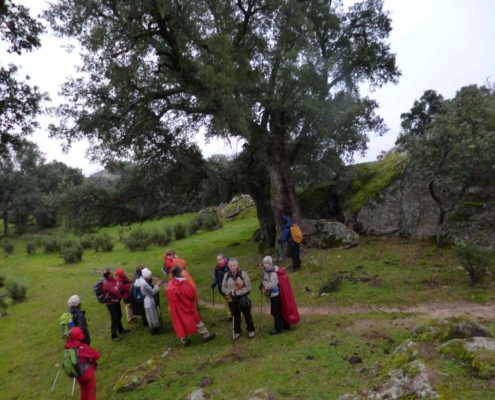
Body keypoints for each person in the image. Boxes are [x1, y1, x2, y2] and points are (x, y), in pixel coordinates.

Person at [166, 266, 216, 346]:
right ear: (180, 272)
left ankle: (184, 340)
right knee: (195, 320)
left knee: (180, 322)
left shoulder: (170, 285)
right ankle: (206, 335)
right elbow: (191, 294)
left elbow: (169, 297)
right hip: (186, 306)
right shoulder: (183, 283)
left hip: (176, 308)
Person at [222, 258, 255, 340]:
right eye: (230, 266)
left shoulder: (243, 274)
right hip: (232, 298)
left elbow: (248, 287)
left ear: (237, 265)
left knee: (246, 313)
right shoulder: (226, 275)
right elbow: (223, 287)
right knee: (235, 315)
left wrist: (237, 293)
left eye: (234, 265)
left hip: (242, 297)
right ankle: (237, 331)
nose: (232, 267)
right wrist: (229, 293)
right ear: (228, 266)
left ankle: (251, 330)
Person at [64, 327, 100, 400]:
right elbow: (96, 355)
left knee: (83, 389)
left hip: (77, 373)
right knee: (91, 389)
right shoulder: (82, 347)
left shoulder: (68, 347)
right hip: (87, 373)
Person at [260, 256, 290, 335]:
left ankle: (278, 328)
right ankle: (286, 325)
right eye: (264, 263)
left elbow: (272, 284)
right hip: (272, 295)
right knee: (278, 311)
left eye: (267, 263)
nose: (266, 265)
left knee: (275, 312)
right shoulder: (267, 271)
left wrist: (264, 284)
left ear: (271, 263)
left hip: (275, 295)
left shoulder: (273, 272)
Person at [102, 269, 128, 341]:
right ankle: (113, 336)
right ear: (108, 275)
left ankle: (121, 329)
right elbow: (115, 291)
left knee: (119, 315)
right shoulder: (106, 283)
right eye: (111, 273)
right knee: (114, 318)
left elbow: (117, 286)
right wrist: (118, 287)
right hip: (111, 303)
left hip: (116, 301)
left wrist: (117, 287)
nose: (113, 273)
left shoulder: (112, 280)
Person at [140, 268, 162, 334]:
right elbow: (152, 293)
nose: (151, 276)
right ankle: (155, 328)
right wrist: (157, 285)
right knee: (152, 314)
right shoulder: (144, 284)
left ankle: (153, 328)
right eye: (150, 275)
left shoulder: (143, 281)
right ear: (146, 276)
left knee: (150, 314)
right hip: (149, 300)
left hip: (147, 300)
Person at [211, 253, 232, 319]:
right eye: (218, 260)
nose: (219, 261)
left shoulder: (229, 266)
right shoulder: (217, 267)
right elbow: (216, 277)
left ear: (224, 259)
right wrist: (214, 282)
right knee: (226, 304)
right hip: (221, 289)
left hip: (230, 289)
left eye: (220, 259)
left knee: (233, 303)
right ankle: (229, 316)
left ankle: (238, 316)